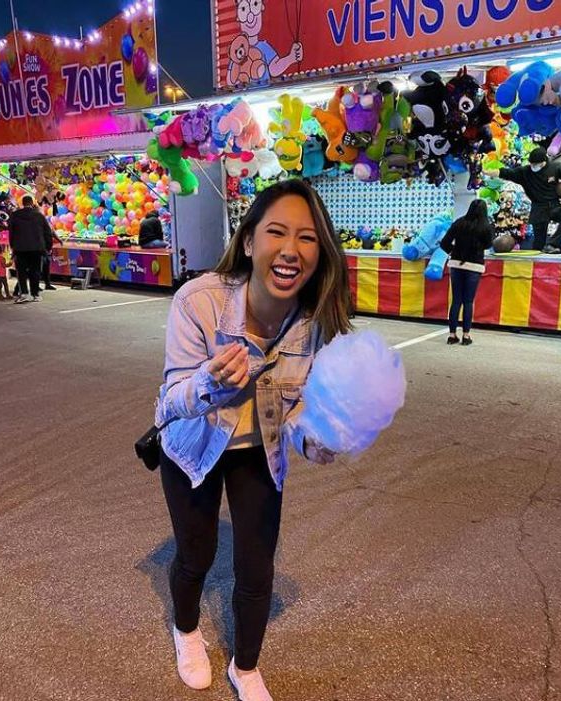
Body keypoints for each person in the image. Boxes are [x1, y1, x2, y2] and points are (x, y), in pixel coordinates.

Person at [154, 179, 351, 701]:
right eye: (277, 233)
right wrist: (209, 385)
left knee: (256, 565)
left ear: (320, 250)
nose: (291, 250)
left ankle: (246, 667)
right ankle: (188, 630)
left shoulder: (314, 320)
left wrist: (317, 440)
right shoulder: (198, 301)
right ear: (248, 242)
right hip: (193, 446)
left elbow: (304, 407)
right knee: (196, 554)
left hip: (257, 450)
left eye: (308, 238)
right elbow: (169, 401)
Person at [486, 148, 561, 253]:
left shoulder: (556, 167)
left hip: (554, 205)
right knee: (539, 242)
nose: (533, 166)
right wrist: (486, 172)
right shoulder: (525, 172)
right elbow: (504, 172)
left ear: (544, 162)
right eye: (531, 163)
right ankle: (538, 258)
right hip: (538, 207)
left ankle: (552, 244)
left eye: (536, 164)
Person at [438, 200, 495, 346]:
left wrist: (454, 252)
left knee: (456, 300)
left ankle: (451, 335)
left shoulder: (459, 223)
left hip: (456, 264)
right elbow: (489, 244)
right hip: (474, 266)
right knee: (468, 301)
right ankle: (466, 336)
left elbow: (444, 243)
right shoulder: (485, 227)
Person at [7, 195, 53, 303]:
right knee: (35, 271)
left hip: (20, 248)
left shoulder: (15, 215)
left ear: (22, 203)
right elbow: (47, 232)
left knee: (21, 272)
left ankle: (24, 293)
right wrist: (48, 247)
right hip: (37, 248)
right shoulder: (39, 215)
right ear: (32, 203)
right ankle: (35, 294)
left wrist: (13, 246)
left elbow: (11, 233)